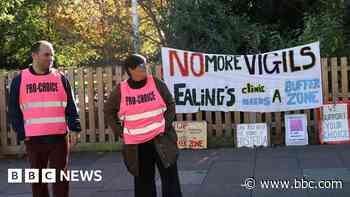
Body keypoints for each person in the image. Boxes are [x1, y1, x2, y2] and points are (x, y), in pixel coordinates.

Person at [8, 40, 81, 197]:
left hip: (59, 138)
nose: (51, 58)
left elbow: (71, 105)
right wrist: (21, 132)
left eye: (52, 55)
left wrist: (75, 128)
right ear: (34, 55)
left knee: (61, 179)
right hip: (34, 139)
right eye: (46, 55)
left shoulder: (60, 78)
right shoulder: (20, 80)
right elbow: (13, 110)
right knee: (38, 181)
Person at [104, 54, 182, 197]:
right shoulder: (121, 90)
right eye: (142, 65)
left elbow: (170, 104)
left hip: (162, 139)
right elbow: (108, 111)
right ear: (130, 70)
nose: (146, 67)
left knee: (170, 180)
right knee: (143, 184)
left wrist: (165, 125)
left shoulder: (156, 83)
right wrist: (120, 132)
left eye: (146, 64)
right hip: (137, 146)